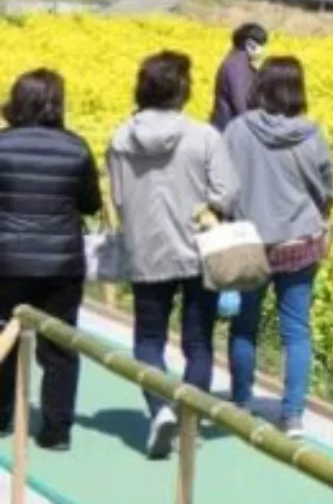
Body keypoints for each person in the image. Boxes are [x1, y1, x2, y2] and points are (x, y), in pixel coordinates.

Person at [108, 52, 239, 459]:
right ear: (183, 88)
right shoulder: (204, 137)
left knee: (148, 339)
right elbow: (228, 192)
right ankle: (188, 419)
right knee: (198, 343)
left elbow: (117, 197)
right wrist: (206, 208)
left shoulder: (119, 138)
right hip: (200, 248)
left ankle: (159, 409)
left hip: (146, 250)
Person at [223, 58, 333, 438]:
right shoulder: (311, 134)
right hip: (299, 244)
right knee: (296, 333)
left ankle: (240, 402)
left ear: (261, 87)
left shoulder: (237, 131)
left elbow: (221, 184)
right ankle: (292, 416)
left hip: (248, 243)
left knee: (244, 327)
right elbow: (327, 187)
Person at [0, 71, 103, 451]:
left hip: (5, 260)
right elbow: (91, 203)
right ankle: (57, 430)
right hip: (60, 263)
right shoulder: (76, 148)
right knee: (59, 346)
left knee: (2, 336)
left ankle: (1, 417)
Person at [212, 23, 268, 132]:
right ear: (250, 45)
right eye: (262, 45)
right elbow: (240, 102)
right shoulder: (236, 66)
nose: (264, 50)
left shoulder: (239, 62)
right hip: (229, 129)